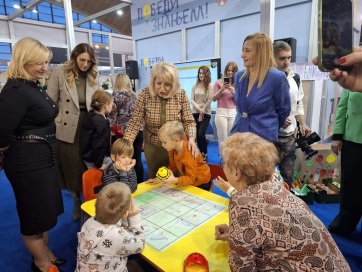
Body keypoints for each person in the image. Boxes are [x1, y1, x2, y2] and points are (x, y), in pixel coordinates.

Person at [214, 132, 351, 272]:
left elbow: (241, 266)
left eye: (222, 162)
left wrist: (237, 242)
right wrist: (235, 237)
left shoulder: (242, 202)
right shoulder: (276, 186)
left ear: (237, 173)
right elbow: (270, 234)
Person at [0, 37, 64, 272]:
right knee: (33, 216)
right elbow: (1, 132)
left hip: (42, 159)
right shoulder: (15, 89)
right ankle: (40, 263)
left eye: (46, 62)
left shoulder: (31, 85)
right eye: (39, 63)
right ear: (23, 60)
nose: (45, 68)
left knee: (44, 212)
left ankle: (45, 252)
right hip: (27, 164)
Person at [47, 43, 99, 221]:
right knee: (71, 166)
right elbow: (50, 103)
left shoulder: (93, 75)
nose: (85, 64)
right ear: (74, 57)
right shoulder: (60, 73)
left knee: (89, 164)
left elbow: (96, 101)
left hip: (89, 124)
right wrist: (56, 121)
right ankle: (76, 200)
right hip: (68, 127)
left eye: (89, 61)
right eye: (82, 60)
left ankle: (89, 199)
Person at [124, 62, 197, 179]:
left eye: (167, 84)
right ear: (153, 81)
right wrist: (126, 144)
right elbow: (135, 122)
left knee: (177, 180)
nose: (162, 88)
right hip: (153, 147)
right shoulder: (145, 94)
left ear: (174, 84)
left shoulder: (181, 95)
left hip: (176, 147)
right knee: (155, 179)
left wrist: (192, 139)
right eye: (158, 83)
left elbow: (189, 121)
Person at [231, 32, 291, 142]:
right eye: (243, 50)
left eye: (247, 51)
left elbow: (284, 110)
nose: (242, 55)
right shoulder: (239, 77)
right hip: (238, 137)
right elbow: (240, 110)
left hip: (263, 141)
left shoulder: (277, 78)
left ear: (261, 53)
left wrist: (269, 127)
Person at [76, 182, 145, 272]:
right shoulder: (117, 236)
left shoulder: (88, 222)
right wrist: (134, 216)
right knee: (136, 266)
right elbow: (140, 245)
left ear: (95, 203)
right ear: (125, 214)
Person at [273, 40, 311, 188]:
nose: (287, 62)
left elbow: (298, 103)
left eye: (289, 58)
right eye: (282, 58)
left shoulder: (294, 78)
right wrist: (278, 119)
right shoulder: (266, 79)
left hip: (289, 136)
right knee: (266, 176)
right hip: (270, 136)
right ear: (273, 57)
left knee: (288, 176)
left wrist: (303, 123)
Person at [328, 89, 362, 235]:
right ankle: (345, 223)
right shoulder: (355, 76)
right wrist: (337, 136)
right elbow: (342, 108)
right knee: (350, 185)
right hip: (352, 138)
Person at [148, 121, 211, 190]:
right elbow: (173, 166)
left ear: (176, 140)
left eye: (164, 142)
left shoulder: (188, 154)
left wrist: (175, 180)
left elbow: (190, 178)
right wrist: (160, 179)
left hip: (202, 182)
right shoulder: (172, 148)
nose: (162, 145)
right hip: (190, 181)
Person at [107, 73, 144, 183]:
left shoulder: (114, 96)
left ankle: (124, 183)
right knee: (136, 159)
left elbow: (111, 117)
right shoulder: (135, 95)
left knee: (121, 160)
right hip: (138, 131)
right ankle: (139, 183)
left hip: (121, 134)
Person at [79, 90, 113, 170]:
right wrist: (99, 165)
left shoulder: (90, 115)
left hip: (87, 157)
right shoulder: (101, 122)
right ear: (106, 105)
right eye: (111, 104)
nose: (112, 106)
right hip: (98, 160)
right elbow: (99, 145)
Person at [212, 61, 238, 151]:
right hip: (221, 112)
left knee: (232, 138)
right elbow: (213, 98)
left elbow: (240, 100)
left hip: (233, 112)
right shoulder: (218, 82)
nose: (230, 72)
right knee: (222, 138)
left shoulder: (237, 83)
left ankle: (231, 160)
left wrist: (233, 91)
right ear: (225, 71)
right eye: (228, 70)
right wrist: (221, 89)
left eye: (232, 71)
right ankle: (223, 160)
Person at [191, 66, 213, 161]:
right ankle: (201, 153)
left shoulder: (210, 86)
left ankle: (205, 153)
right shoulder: (194, 86)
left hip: (206, 113)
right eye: (200, 73)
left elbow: (210, 99)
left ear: (206, 74)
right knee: (196, 135)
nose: (201, 75)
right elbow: (192, 99)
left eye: (203, 73)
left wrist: (202, 111)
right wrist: (199, 110)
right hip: (195, 112)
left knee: (201, 134)